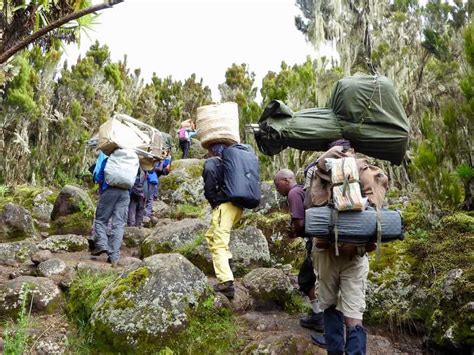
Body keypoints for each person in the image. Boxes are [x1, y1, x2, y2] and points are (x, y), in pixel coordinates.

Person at [310, 139, 369, 354]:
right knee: (354, 313)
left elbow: (310, 211)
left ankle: (334, 351)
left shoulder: (317, 172)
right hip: (356, 251)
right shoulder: (363, 169)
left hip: (326, 250)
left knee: (329, 304)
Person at [273, 169, 324, 333]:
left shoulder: (293, 193)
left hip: (315, 241)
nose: (276, 188)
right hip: (321, 239)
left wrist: (294, 231)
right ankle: (320, 315)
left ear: (287, 180)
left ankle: (320, 317)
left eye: (277, 184)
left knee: (306, 279)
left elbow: (300, 223)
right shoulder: (304, 190)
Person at [202, 143, 242, 299]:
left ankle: (226, 282)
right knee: (211, 236)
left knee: (219, 241)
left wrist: (213, 200)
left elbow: (210, 183)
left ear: (212, 150)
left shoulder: (213, 163)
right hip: (237, 207)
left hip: (224, 206)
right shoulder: (231, 164)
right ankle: (227, 264)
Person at [91, 150, 131, 267]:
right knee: (119, 224)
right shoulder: (130, 162)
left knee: (100, 220)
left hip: (109, 191)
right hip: (125, 194)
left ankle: (102, 244)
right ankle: (114, 258)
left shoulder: (108, 160)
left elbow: (99, 177)